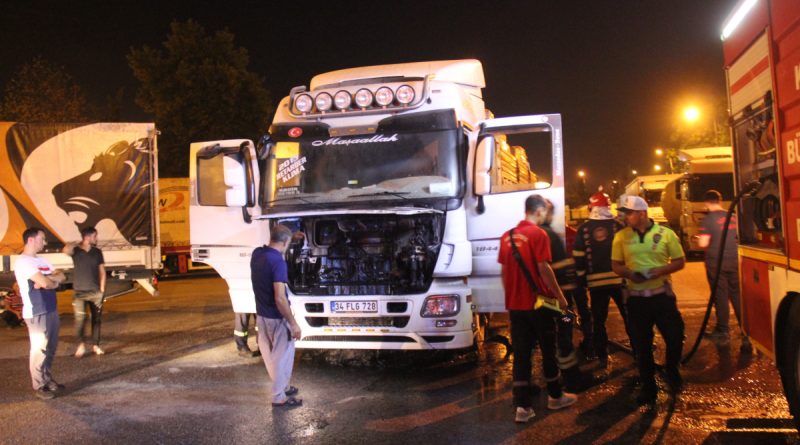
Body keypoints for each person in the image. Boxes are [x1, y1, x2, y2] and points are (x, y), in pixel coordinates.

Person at [498, 194, 578, 423]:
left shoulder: (507, 237)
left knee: (522, 354)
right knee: (548, 349)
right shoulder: (538, 234)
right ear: (539, 210)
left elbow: (504, 273)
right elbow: (544, 268)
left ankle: (522, 407)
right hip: (539, 305)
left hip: (516, 307)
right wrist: (561, 299)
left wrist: (511, 299)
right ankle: (555, 396)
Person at [611, 195, 686, 404]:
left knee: (675, 337)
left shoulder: (666, 234)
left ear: (642, 213)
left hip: (662, 297)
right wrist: (629, 273)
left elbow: (680, 261)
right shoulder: (621, 237)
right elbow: (616, 265)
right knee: (641, 346)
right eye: (624, 213)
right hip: (636, 301)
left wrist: (660, 270)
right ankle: (648, 387)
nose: (625, 217)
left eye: (629, 213)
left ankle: (672, 369)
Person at [573, 190, 630, 369]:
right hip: (619, 282)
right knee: (629, 317)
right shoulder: (618, 226)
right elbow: (629, 252)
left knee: (599, 321)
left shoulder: (583, 229)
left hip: (596, 285)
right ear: (608, 205)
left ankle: (602, 355)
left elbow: (578, 256)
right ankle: (639, 351)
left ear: (591, 207)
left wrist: (582, 280)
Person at [252, 224, 302, 407]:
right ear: (286, 242)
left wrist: (290, 236)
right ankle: (278, 396)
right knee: (283, 357)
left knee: (271, 356)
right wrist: (293, 323)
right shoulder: (278, 263)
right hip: (277, 318)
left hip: (262, 316)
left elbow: (277, 241)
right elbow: (280, 298)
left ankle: (283, 386)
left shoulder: (257, 254)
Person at [15, 227, 66, 400]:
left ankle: (47, 379)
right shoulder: (23, 262)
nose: (44, 242)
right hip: (36, 311)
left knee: (50, 347)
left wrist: (50, 281)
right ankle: (39, 385)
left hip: (51, 308)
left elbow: (61, 276)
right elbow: (46, 282)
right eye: (42, 239)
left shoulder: (42, 260)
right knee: (39, 349)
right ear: (31, 240)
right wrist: (49, 282)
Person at [540, 199, 586, 391]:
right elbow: (559, 266)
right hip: (558, 297)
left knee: (544, 338)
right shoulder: (550, 234)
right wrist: (566, 297)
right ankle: (571, 379)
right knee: (564, 331)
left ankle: (550, 376)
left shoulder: (529, 235)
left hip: (539, 299)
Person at [697, 189, 742, 341]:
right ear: (720, 200)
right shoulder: (734, 217)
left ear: (706, 203)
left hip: (716, 263)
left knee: (720, 295)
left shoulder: (708, 220)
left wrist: (700, 238)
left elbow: (703, 242)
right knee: (737, 295)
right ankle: (746, 331)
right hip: (735, 261)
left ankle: (723, 330)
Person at [63, 227, 106, 357]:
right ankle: (81, 345)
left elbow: (102, 272)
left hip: (95, 292)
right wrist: (76, 243)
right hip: (79, 292)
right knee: (80, 319)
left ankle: (96, 345)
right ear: (87, 237)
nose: (96, 239)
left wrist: (102, 290)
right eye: (94, 236)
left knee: (96, 320)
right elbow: (65, 250)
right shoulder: (76, 251)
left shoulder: (97, 252)